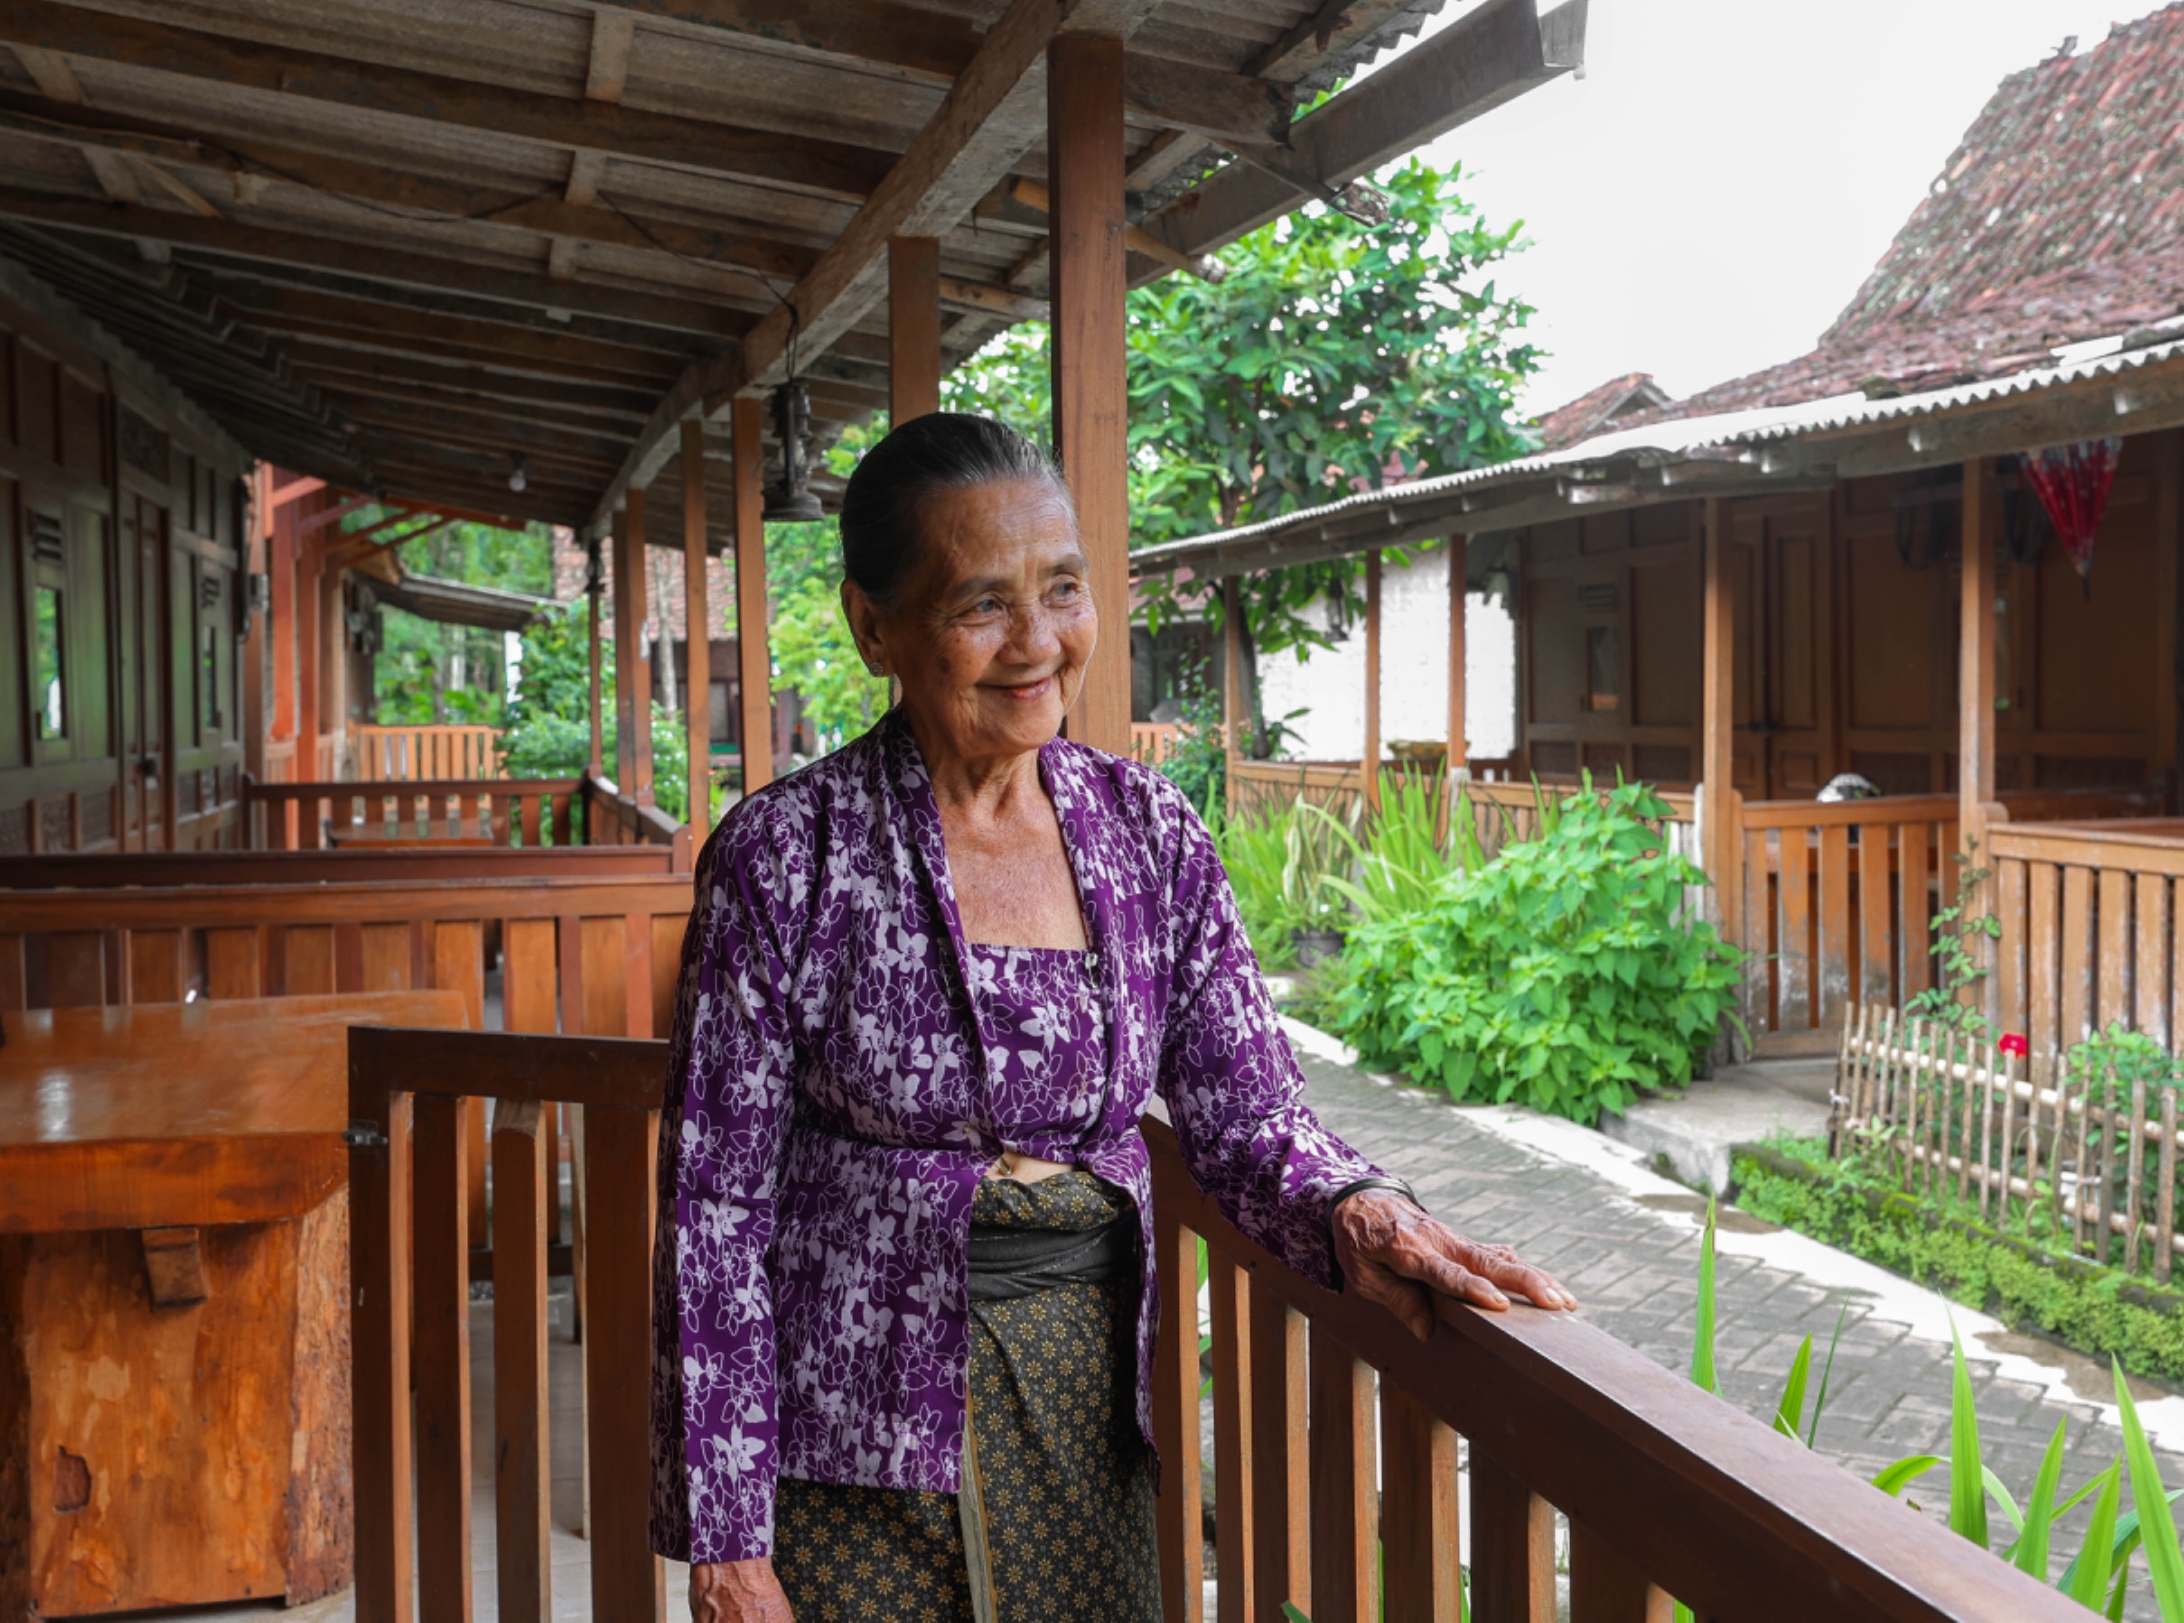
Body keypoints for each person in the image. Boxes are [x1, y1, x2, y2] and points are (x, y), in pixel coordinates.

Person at [650, 413, 1575, 1623]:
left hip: (1083, 1417)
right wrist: (726, 1543)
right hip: (848, 1439)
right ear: (874, 626)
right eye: (982, 603)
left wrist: (1357, 1205)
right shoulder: (787, 852)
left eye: (1063, 588)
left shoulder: (1149, 832)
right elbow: (714, 1205)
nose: (1037, 641)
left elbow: (1248, 1112)